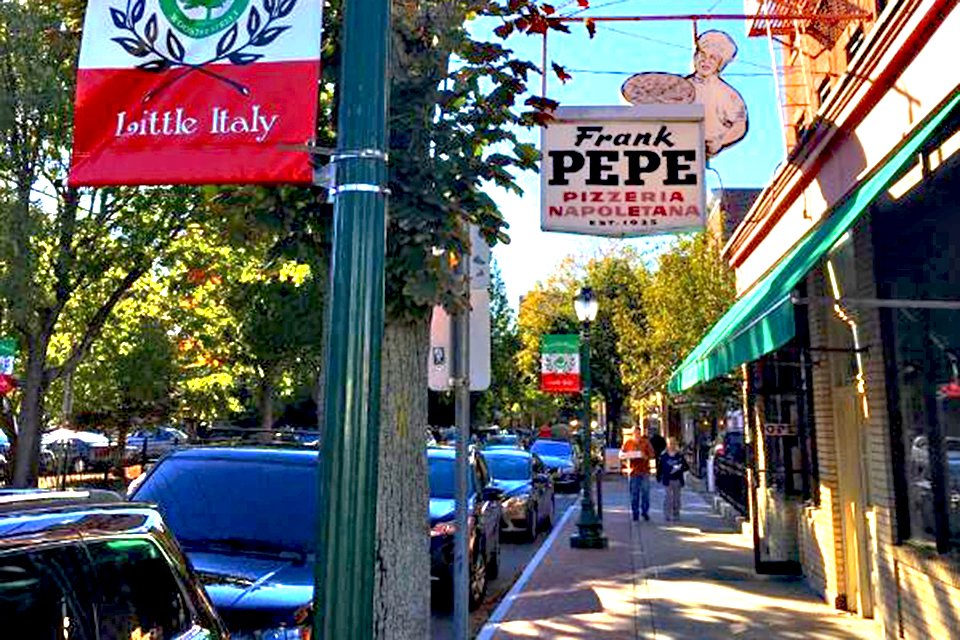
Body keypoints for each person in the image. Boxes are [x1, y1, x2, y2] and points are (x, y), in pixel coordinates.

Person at [684, 30, 748, 157]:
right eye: (702, 55)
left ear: (720, 64)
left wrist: (720, 141)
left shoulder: (728, 95)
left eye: (713, 58)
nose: (705, 61)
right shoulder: (680, 86)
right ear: (695, 56)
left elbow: (739, 125)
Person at [619, 428, 656, 522]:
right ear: (632, 434)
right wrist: (628, 456)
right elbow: (621, 455)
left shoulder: (646, 442)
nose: (637, 435)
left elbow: (652, 455)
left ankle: (645, 512)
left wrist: (645, 456)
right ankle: (635, 513)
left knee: (645, 493)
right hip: (633, 471)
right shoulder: (628, 443)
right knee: (634, 494)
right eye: (635, 433)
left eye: (638, 433)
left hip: (644, 471)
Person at [658, 438, 690, 522]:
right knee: (668, 498)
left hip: (677, 479)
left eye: (673, 444)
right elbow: (660, 467)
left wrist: (679, 468)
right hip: (667, 479)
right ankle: (667, 514)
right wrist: (659, 476)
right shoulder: (664, 455)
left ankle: (676, 514)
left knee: (676, 498)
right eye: (670, 444)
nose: (671, 445)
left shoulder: (679, 456)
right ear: (667, 445)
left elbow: (686, 467)